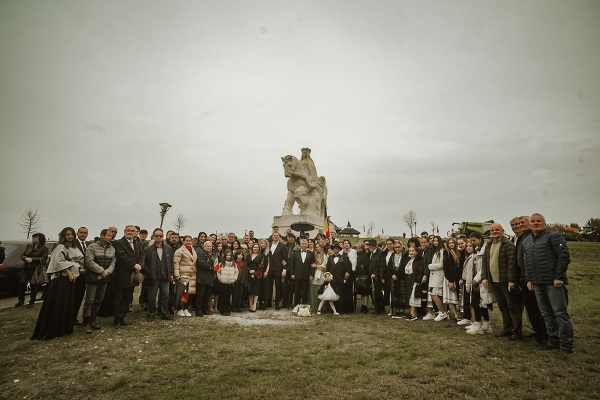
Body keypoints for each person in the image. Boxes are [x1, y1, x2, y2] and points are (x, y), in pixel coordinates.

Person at [523, 213, 574, 353]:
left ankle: (567, 345)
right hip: (537, 283)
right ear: (529, 224)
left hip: (553, 282)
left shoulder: (554, 237)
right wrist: (529, 279)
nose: (536, 223)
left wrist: (559, 277)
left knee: (560, 313)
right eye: (533, 221)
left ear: (544, 223)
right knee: (546, 313)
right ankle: (553, 341)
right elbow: (527, 262)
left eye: (539, 221)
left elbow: (563, 256)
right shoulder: (526, 241)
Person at [31, 227, 84, 340]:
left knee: (67, 304)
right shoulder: (60, 247)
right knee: (59, 304)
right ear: (63, 236)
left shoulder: (73, 247)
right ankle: (53, 328)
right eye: (67, 234)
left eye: (72, 234)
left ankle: (63, 328)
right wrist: (69, 273)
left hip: (71, 279)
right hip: (62, 279)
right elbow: (58, 262)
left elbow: (78, 260)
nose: (70, 236)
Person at [481, 223, 521, 340]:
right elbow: (484, 263)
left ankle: (517, 332)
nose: (494, 232)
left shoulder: (508, 244)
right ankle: (507, 329)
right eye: (492, 230)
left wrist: (511, 281)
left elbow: (512, 264)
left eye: (497, 229)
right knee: (503, 306)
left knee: (513, 307)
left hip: (505, 282)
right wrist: (484, 277)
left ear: (502, 231)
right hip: (494, 282)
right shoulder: (488, 245)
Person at [513, 216, 547, 345]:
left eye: (523, 222)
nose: (520, 225)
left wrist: (529, 278)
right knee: (531, 308)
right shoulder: (522, 238)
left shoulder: (531, 237)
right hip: (524, 278)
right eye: (519, 223)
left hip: (532, 278)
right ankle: (537, 333)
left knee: (537, 308)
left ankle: (544, 335)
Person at [82, 229, 116, 333]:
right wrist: (101, 271)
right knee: (90, 300)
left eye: (111, 236)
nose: (111, 237)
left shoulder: (112, 249)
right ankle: (86, 322)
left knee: (98, 300)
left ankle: (93, 320)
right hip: (93, 277)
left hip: (105, 278)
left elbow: (113, 262)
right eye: (108, 235)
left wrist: (107, 272)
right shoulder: (92, 247)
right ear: (102, 236)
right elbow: (89, 261)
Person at [112, 225, 145, 329]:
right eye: (128, 230)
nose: (130, 232)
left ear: (135, 232)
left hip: (133, 276)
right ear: (124, 232)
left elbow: (142, 255)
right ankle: (117, 320)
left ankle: (122, 318)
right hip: (122, 275)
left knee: (128, 298)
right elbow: (122, 256)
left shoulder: (137, 243)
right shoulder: (118, 243)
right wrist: (134, 265)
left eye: (132, 231)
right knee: (119, 299)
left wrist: (139, 265)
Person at [143, 228, 174, 321]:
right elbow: (144, 263)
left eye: (160, 236)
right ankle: (151, 314)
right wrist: (148, 272)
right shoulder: (147, 249)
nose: (158, 237)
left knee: (165, 295)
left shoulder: (168, 248)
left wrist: (171, 274)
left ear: (163, 236)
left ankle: (164, 313)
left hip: (165, 276)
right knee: (152, 296)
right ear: (153, 236)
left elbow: (171, 263)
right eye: (156, 236)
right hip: (153, 276)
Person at [466, 233, 494, 335]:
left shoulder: (485, 249)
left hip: (481, 280)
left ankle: (478, 324)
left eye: (474, 240)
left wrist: (476, 278)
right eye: (471, 241)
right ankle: (486, 323)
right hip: (477, 280)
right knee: (481, 303)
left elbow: (485, 266)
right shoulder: (477, 250)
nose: (473, 242)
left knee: (476, 302)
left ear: (480, 239)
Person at [17, 233, 48, 308]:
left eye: (36, 237)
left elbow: (44, 258)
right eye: (33, 237)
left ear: (40, 238)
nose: (34, 239)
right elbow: (22, 255)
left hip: (36, 269)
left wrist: (32, 259)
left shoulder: (44, 248)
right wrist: (25, 258)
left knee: (34, 285)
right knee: (21, 283)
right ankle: (21, 300)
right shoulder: (29, 246)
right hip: (26, 268)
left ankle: (32, 302)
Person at [425, 236, 448, 322]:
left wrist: (430, 266)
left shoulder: (441, 251)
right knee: (439, 295)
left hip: (438, 275)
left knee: (434, 294)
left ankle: (442, 312)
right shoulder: (436, 251)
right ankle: (444, 312)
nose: (435, 242)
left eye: (437, 241)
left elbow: (442, 264)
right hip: (435, 276)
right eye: (434, 241)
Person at [174, 235, 197, 317]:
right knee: (182, 292)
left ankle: (186, 308)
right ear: (183, 241)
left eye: (190, 240)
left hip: (192, 275)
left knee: (189, 292)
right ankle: (180, 309)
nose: (188, 242)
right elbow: (176, 263)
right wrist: (177, 274)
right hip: (183, 274)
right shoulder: (179, 251)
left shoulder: (193, 250)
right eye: (187, 240)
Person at [325, 242, 350, 313]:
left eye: (337, 249)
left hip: (340, 279)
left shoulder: (344, 257)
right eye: (334, 249)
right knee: (333, 293)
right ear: (332, 250)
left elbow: (346, 268)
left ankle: (341, 309)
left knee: (341, 294)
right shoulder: (330, 258)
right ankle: (334, 310)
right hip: (332, 279)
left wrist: (345, 277)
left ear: (339, 250)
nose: (336, 250)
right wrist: (328, 277)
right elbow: (328, 269)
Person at [290, 238, 315, 307]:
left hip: (306, 275)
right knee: (297, 290)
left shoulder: (311, 253)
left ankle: (304, 305)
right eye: (302, 244)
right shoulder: (295, 252)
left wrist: (312, 274)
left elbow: (312, 265)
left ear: (307, 245)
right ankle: (296, 305)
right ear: (300, 245)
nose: (304, 245)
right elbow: (292, 264)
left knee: (305, 291)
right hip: (297, 274)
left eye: (305, 244)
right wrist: (292, 273)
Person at [266, 232, 287, 310]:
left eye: (277, 235)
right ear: (272, 237)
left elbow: (285, 258)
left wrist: (284, 269)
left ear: (279, 237)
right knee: (269, 286)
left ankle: (277, 303)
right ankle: (268, 302)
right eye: (274, 235)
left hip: (278, 269)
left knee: (278, 286)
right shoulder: (269, 245)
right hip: (269, 269)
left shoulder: (282, 246)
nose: (275, 237)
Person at [72, 227, 89, 324]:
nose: (83, 234)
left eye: (85, 233)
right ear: (77, 233)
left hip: (85, 275)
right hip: (75, 274)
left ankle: (74, 318)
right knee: (73, 298)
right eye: (81, 232)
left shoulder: (88, 245)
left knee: (79, 297)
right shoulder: (73, 244)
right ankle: (70, 317)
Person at [195, 241, 217, 316]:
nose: (209, 248)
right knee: (200, 296)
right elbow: (202, 264)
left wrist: (216, 268)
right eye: (208, 246)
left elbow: (216, 264)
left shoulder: (213, 256)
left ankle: (205, 309)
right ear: (204, 247)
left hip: (210, 279)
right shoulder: (201, 254)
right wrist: (212, 268)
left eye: (210, 246)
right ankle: (198, 311)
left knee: (207, 296)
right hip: (202, 278)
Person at [443, 238, 461, 321]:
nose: (451, 244)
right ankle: (455, 315)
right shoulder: (446, 253)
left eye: (452, 242)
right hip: (450, 277)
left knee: (458, 296)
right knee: (451, 296)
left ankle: (460, 313)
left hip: (457, 277)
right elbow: (446, 267)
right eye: (449, 243)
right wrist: (450, 280)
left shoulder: (458, 252)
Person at [405, 246, 424, 322]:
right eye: (410, 251)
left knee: (413, 296)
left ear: (416, 252)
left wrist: (418, 280)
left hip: (414, 279)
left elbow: (420, 271)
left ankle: (412, 314)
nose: (411, 252)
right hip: (408, 279)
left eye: (413, 251)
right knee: (410, 296)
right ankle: (413, 312)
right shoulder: (408, 259)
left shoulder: (419, 260)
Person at [217, 250, 238, 316]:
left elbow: (236, 272)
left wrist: (234, 278)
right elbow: (217, 271)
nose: (228, 257)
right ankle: (222, 309)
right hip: (223, 282)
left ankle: (227, 309)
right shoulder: (221, 263)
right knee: (223, 296)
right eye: (227, 255)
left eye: (230, 255)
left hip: (230, 282)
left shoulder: (234, 264)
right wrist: (220, 278)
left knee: (228, 297)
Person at [367, 239, 385, 314]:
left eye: (371, 246)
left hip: (377, 276)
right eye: (369, 246)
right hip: (371, 275)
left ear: (375, 246)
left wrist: (375, 273)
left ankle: (381, 309)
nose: (370, 247)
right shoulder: (370, 253)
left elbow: (380, 265)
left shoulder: (380, 253)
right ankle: (376, 308)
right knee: (373, 293)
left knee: (378, 292)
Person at [309, 242, 327, 314]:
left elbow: (324, 267)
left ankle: (321, 308)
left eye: (319, 247)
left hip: (321, 275)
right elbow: (311, 265)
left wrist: (316, 266)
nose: (317, 248)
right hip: (314, 274)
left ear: (321, 247)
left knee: (321, 291)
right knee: (313, 291)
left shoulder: (325, 256)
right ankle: (314, 306)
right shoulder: (313, 255)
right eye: (316, 247)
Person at [246, 243, 265, 312]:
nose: (255, 249)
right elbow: (246, 264)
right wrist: (249, 271)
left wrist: (254, 272)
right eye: (254, 247)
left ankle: (254, 304)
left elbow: (261, 265)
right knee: (249, 290)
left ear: (259, 249)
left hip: (257, 275)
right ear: (252, 248)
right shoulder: (248, 255)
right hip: (248, 274)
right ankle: (250, 304)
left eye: (257, 247)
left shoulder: (261, 256)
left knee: (256, 289)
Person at [354, 241, 371, 313]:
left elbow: (366, 265)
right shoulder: (355, 255)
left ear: (362, 248)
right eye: (357, 248)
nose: (358, 249)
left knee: (365, 292)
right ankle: (362, 305)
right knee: (361, 291)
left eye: (359, 248)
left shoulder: (366, 255)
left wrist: (358, 266)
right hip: (358, 275)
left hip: (364, 275)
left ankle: (365, 306)